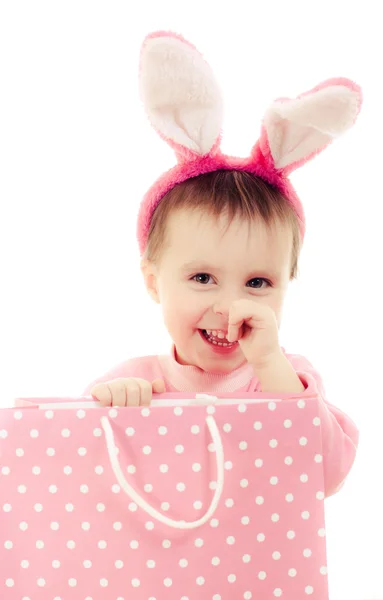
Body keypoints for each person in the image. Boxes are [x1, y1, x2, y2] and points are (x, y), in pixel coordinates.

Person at [83, 31, 361, 496]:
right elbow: (76, 480)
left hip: (262, 567)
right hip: (155, 567)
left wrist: (271, 366)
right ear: (154, 281)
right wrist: (104, 412)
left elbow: (326, 476)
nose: (231, 305)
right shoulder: (134, 380)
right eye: (202, 277)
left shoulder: (285, 378)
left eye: (257, 282)